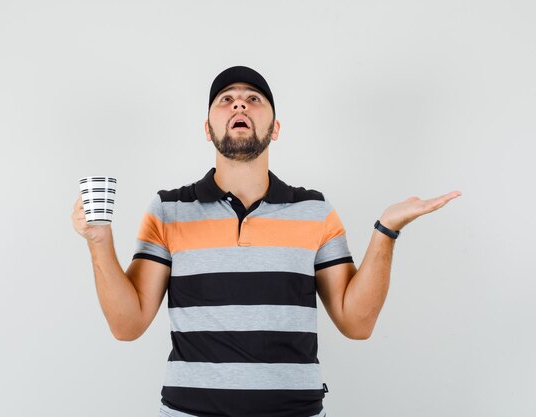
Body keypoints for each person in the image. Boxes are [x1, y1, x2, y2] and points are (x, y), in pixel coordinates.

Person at [71, 65, 462, 417]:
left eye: (253, 99)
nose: (239, 105)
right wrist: (98, 240)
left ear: (275, 127)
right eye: (226, 100)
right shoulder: (169, 209)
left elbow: (356, 323)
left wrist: (387, 230)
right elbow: (127, 325)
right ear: (208, 128)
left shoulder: (314, 210)